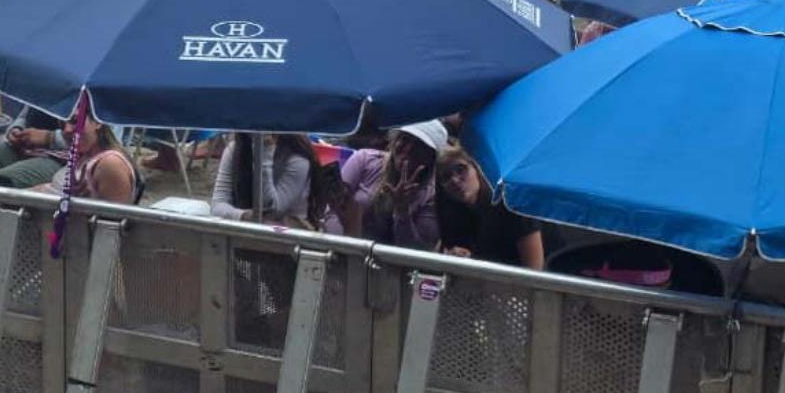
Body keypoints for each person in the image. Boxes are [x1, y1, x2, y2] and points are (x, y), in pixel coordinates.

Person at [436, 142, 545, 269]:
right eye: (446, 177)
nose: (455, 180)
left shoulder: (512, 201)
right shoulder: (455, 214)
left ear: (476, 168)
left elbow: (534, 270)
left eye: (461, 169)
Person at [340, 120, 446, 250]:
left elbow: (416, 252)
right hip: (346, 250)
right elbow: (334, 210)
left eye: (420, 146)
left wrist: (402, 211)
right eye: (405, 139)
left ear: (431, 158)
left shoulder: (432, 197)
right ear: (394, 140)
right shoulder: (364, 160)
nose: (408, 149)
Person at [211, 134, 321, 226]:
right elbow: (217, 205)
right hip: (243, 230)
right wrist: (242, 216)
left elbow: (270, 210)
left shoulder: (298, 159)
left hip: (287, 235)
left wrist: (264, 153)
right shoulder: (235, 150)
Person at [40, 113, 136, 204]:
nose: (66, 130)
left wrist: (78, 205)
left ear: (98, 122)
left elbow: (116, 218)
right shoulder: (83, 154)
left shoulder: (110, 164)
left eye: (75, 121)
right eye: (62, 124)